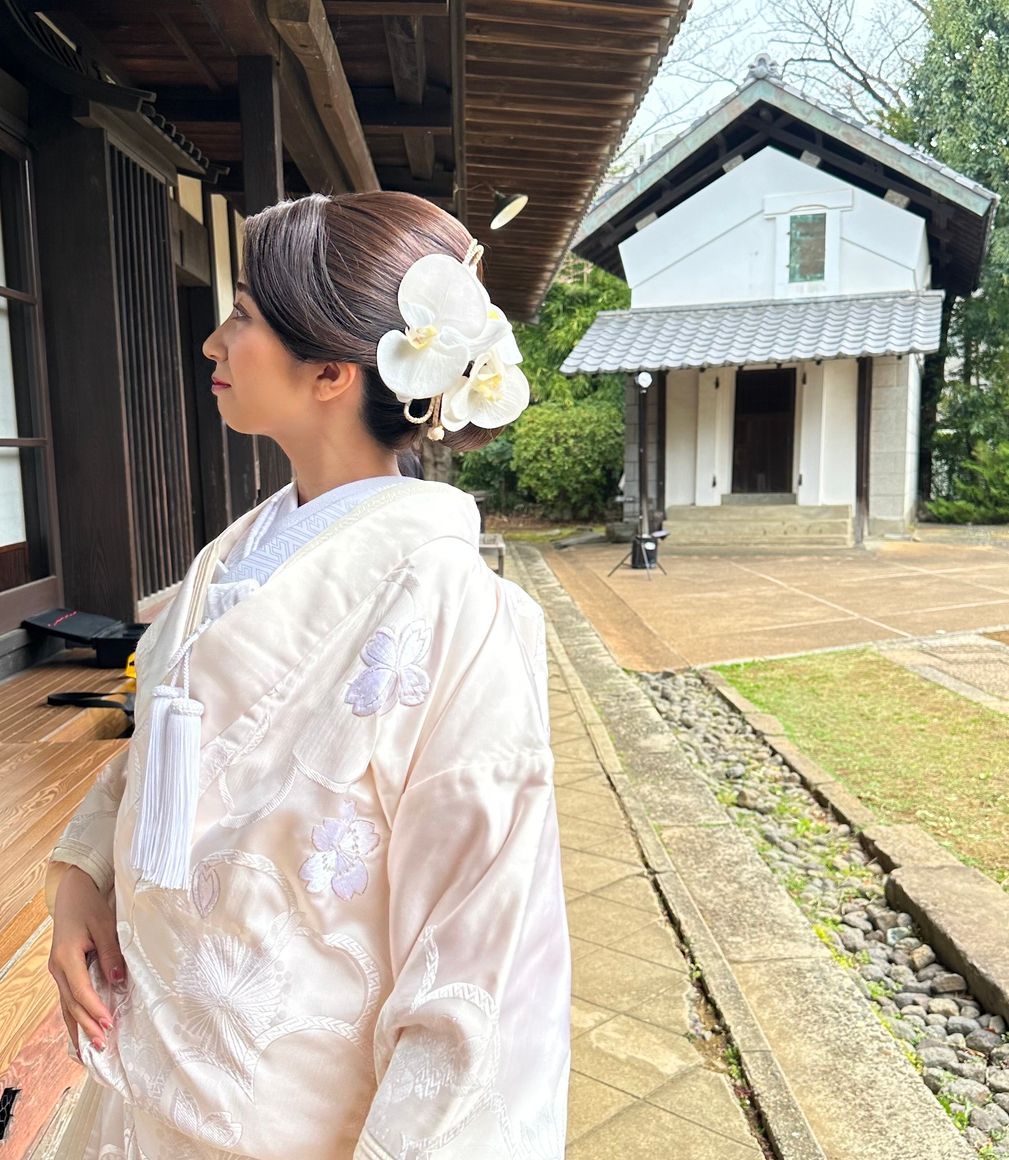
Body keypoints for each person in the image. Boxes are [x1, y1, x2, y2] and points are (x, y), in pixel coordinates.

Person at [44, 191, 570, 1160]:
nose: (213, 341)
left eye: (242, 314)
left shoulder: (460, 613)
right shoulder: (233, 556)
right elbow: (167, 752)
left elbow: (478, 964)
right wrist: (83, 876)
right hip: (147, 1070)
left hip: (295, 1116)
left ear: (331, 371)